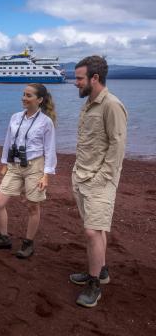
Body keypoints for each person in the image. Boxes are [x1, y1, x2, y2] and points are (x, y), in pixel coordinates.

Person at [69, 56, 127, 307]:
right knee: (97, 230)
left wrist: (102, 178)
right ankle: (100, 271)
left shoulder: (111, 105)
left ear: (95, 78)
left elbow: (117, 146)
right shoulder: (88, 104)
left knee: (92, 232)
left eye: (79, 78)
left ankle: (94, 285)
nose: (75, 83)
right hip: (81, 176)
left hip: (99, 180)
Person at [0, 83, 57, 258]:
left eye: (29, 95)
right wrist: (5, 162)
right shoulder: (16, 117)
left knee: (33, 206)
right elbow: (9, 141)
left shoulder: (46, 122)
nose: (24, 98)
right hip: (14, 166)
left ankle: (28, 243)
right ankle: (4, 238)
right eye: (24, 94)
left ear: (39, 100)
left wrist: (46, 175)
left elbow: (50, 149)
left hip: (35, 166)